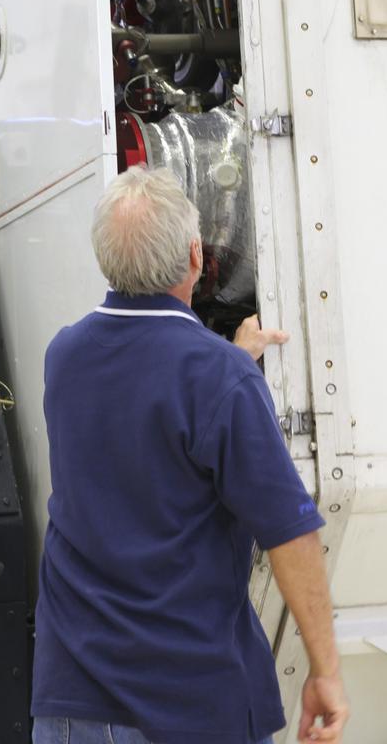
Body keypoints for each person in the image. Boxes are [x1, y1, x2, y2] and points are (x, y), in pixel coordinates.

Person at [31, 165, 349, 744]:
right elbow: (287, 532)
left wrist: (227, 361)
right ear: (196, 256)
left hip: (69, 703)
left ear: (104, 258)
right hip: (189, 707)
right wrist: (325, 670)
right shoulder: (217, 378)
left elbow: (141, 404)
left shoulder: (64, 357)